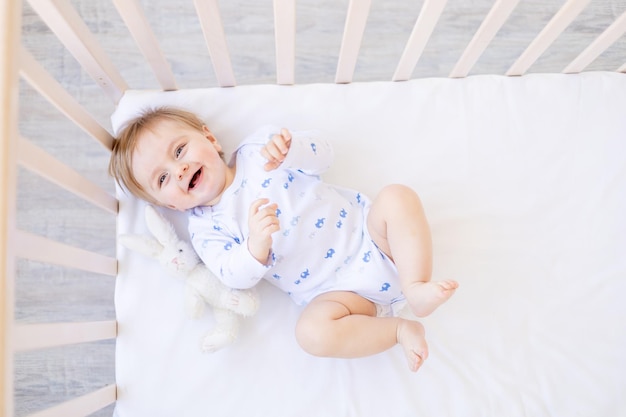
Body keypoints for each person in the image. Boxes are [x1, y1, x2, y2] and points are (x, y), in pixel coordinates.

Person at [109, 107, 458, 372]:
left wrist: (295, 151)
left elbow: (324, 155)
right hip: (338, 295)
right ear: (170, 205)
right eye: (163, 178)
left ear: (210, 139)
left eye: (180, 150)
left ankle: (414, 285)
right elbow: (232, 275)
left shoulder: (259, 151)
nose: (180, 169)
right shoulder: (206, 229)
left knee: (397, 197)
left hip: (372, 239)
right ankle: (397, 330)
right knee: (311, 334)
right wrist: (254, 248)